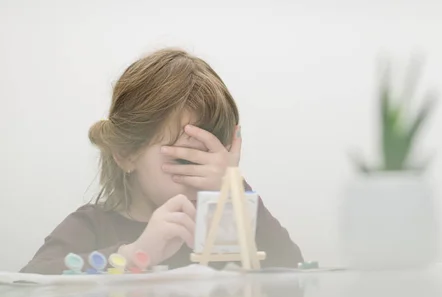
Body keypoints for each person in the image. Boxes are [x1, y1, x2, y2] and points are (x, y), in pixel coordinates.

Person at [21, 48, 303, 274]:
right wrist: (131, 256)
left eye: (214, 160)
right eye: (185, 159)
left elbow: (292, 271)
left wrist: (234, 187)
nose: (205, 177)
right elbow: (31, 280)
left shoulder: (225, 225)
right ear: (126, 154)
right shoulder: (92, 226)